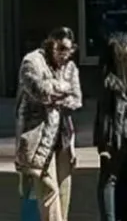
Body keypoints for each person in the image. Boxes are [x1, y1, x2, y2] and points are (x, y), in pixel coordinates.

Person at [15, 26, 82, 221]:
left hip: (63, 138)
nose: (65, 55)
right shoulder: (32, 62)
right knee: (48, 192)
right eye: (61, 48)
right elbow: (40, 90)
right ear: (50, 43)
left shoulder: (70, 67)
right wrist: (62, 89)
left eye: (70, 50)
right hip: (39, 138)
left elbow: (76, 99)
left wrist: (59, 94)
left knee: (63, 194)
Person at [94, 33, 127, 221]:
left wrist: (104, 145)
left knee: (108, 181)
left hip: (115, 138)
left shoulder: (111, 81)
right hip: (121, 138)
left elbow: (107, 115)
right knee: (110, 180)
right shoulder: (120, 82)